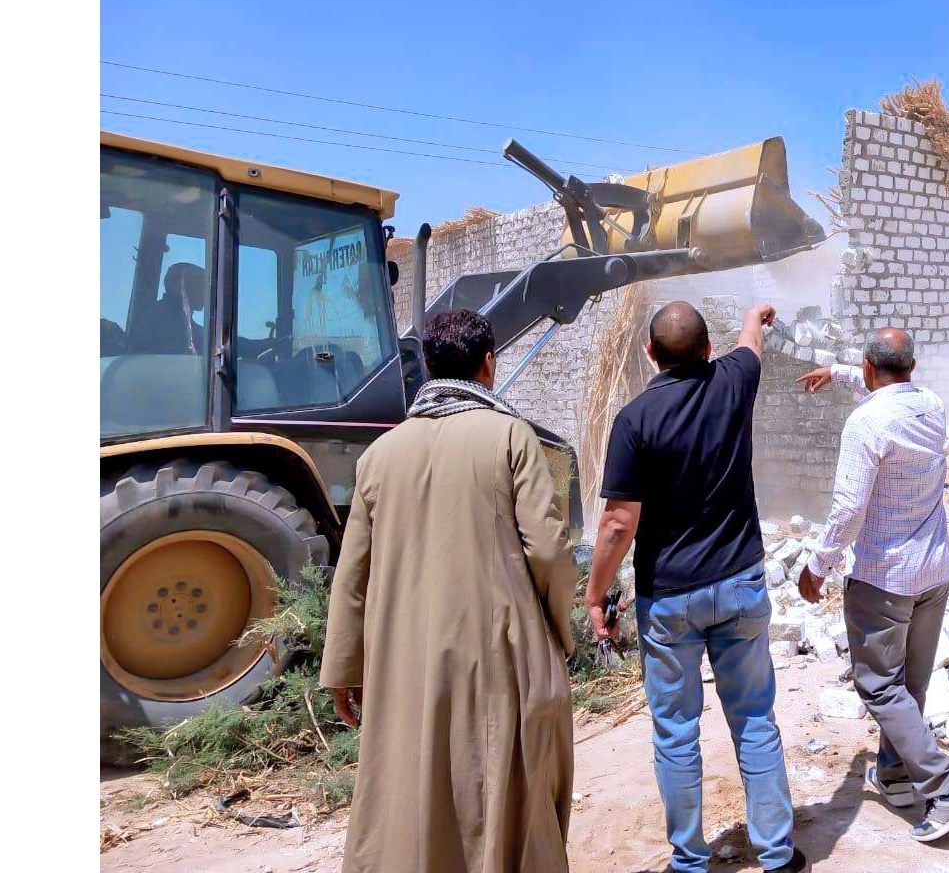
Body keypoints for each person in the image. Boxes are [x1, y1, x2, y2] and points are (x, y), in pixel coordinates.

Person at [321, 308, 577, 873]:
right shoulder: (510, 434)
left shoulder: (379, 455)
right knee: (500, 789)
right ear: (488, 364)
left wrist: (344, 666)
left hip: (403, 659)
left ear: (429, 369)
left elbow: (353, 574)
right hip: (498, 654)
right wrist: (561, 629)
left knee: (416, 789)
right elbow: (549, 549)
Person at [585, 300, 809, 873]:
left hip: (670, 600)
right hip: (740, 584)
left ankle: (688, 861)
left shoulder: (634, 419)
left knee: (676, 732)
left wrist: (594, 595)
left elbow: (617, 523)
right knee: (754, 719)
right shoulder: (733, 381)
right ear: (709, 350)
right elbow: (751, 345)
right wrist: (756, 316)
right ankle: (778, 853)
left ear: (650, 353)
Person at [795, 328, 949, 842]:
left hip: (883, 578)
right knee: (911, 684)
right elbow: (887, 393)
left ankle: (945, 787)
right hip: (933, 572)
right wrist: (838, 372)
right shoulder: (930, 405)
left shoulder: (866, 423)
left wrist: (818, 565)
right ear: (913, 367)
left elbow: (848, 508)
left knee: (879, 684)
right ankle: (897, 774)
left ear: (867, 366)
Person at [132, 262, 206, 354]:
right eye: (200, 285)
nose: (205, 293)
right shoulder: (159, 319)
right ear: (182, 287)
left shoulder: (189, 325)